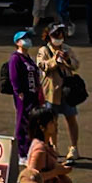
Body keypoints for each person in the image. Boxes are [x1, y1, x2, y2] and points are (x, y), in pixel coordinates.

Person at [36, 22, 83, 166]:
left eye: (61, 34)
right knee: (52, 121)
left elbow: (76, 65)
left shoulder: (67, 49)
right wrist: (54, 61)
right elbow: (41, 65)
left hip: (67, 91)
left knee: (71, 118)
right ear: (49, 36)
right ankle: (53, 146)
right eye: (56, 35)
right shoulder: (43, 50)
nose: (59, 37)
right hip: (51, 92)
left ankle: (74, 148)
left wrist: (67, 59)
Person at [24, 108, 72, 183]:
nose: (55, 124)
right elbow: (32, 177)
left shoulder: (45, 145)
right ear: (42, 127)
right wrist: (56, 172)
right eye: (51, 122)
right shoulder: (39, 149)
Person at [9, 32, 46, 151]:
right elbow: (14, 76)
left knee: (33, 121)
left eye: (28, 38)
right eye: (24, 38)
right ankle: (21, 150)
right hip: (23, 95)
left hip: (33, 94)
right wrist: (18, 91)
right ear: (17, 42)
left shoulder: (28, 58)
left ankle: (31, 148)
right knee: (23, 121)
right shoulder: (16, 58)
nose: (27, 40)